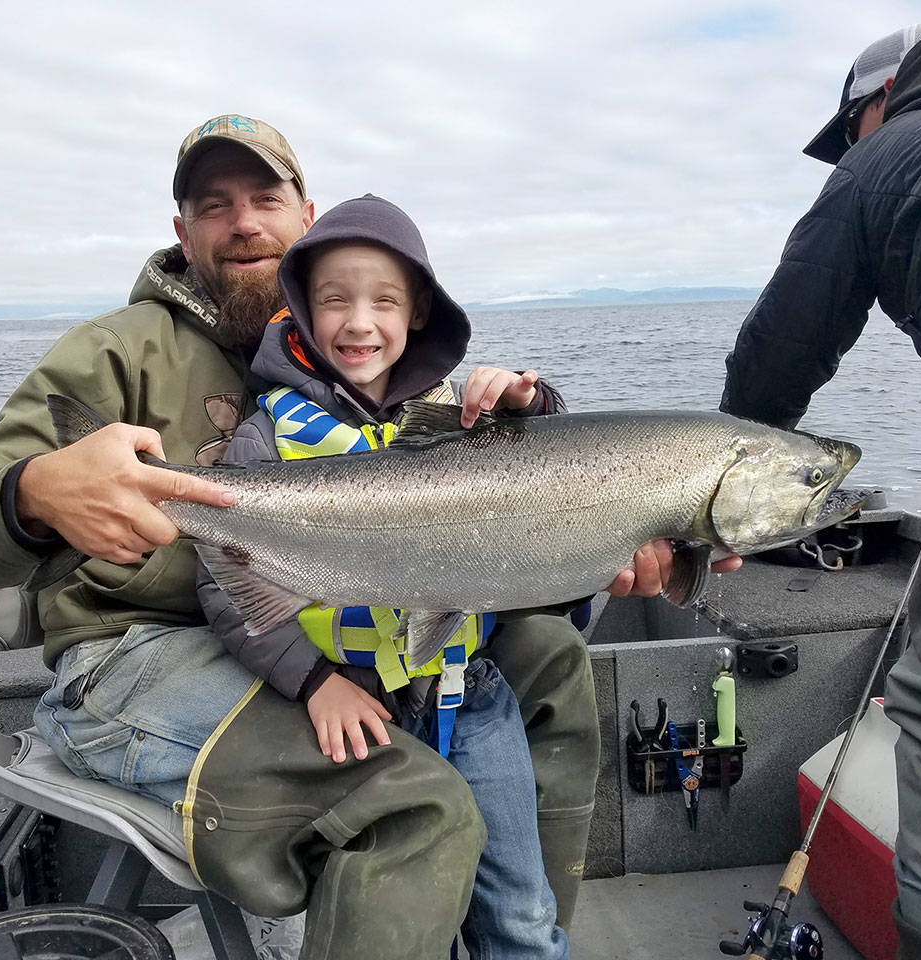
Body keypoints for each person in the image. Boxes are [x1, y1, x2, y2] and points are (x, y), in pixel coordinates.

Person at [0, 113, 711, 958]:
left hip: (322, 609)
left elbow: (472, 522)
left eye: (265, 198)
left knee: (550, 661)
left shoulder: (370, 361)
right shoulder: (111, 353)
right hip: (143, 652)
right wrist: (33, 492)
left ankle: (516, 932)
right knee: (413, 806)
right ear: (181, 231)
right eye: (213, 205)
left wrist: (608, 534)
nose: (243, 223)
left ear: (307, 217)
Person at [200, 193, 570, 958]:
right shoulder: (263, 440)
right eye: (334, 300)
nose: (359, 322)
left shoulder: (465, 419)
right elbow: (223, 588)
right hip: (347, 712)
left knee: (524, 917)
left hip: (473, 700)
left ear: (419, 312)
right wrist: (310, 681)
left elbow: (564, 473)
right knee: (404, 923)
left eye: (384, 301)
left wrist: (533, 402)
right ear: (302, 310)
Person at [719, 24, 921, 960]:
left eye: (849, 129)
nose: (849, 150)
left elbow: (781, 354)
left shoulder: (879, 161)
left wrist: (719, 496)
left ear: (880, 103)